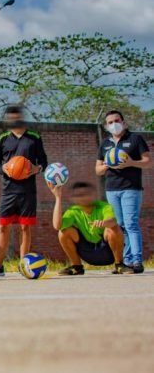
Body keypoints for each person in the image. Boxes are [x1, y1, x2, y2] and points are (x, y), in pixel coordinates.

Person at [0, 105, 48, 277]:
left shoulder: (34, 137)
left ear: (21, 117)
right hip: (8, 190)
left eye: (17, 117)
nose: (14, 120)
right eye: (10, 118)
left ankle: (24, 264)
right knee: (3, 227)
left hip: (28, 190)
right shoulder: (2, 139)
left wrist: (37, 169)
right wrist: (3, 168)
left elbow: (44, 161)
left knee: (25, 228)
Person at [95, 110, 152, 274]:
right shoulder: (105, 144)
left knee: (131, 224)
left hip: (131, 188)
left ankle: (137, 260)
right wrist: (108, 164)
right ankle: (125, 262)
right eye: (110, 122)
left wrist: (131, 163)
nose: (114, 124)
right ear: (106, 126)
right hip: (112, 189)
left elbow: (148, 162)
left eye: (117, 120)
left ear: (123, 122)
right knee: (119, 226)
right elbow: (98, 170)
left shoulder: (135, 139)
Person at [47, 181, 127, 275]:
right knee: (64, 231)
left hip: (107, 252)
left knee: (113, 228)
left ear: (94, 195)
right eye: (79, 195)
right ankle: (77, 267)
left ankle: (119, 265)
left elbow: (113, 221)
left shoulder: (104, 206)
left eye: (86, 194)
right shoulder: (73, 211)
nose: (83, 197)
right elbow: (57, 226)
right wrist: (58, 197)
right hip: (87, 252)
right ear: (73, 199)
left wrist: (104, 223)